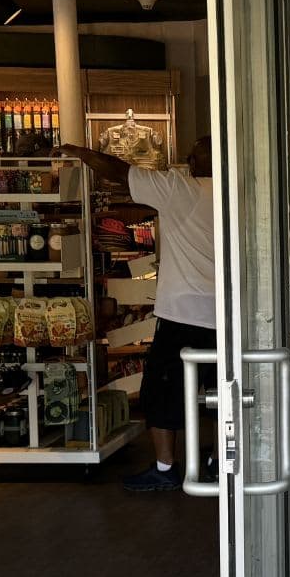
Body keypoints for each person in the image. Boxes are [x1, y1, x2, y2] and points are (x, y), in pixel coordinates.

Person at [59, 138, 215, 492]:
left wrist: (82, 153)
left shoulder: (183, 189)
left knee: (161, 393)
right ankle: (220, 462)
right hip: (230, 313)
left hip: (183, 314)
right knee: (225, 393)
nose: (189, 158)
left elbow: (121, 172)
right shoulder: (241, 191)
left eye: (196, 153)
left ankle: (165, 467)